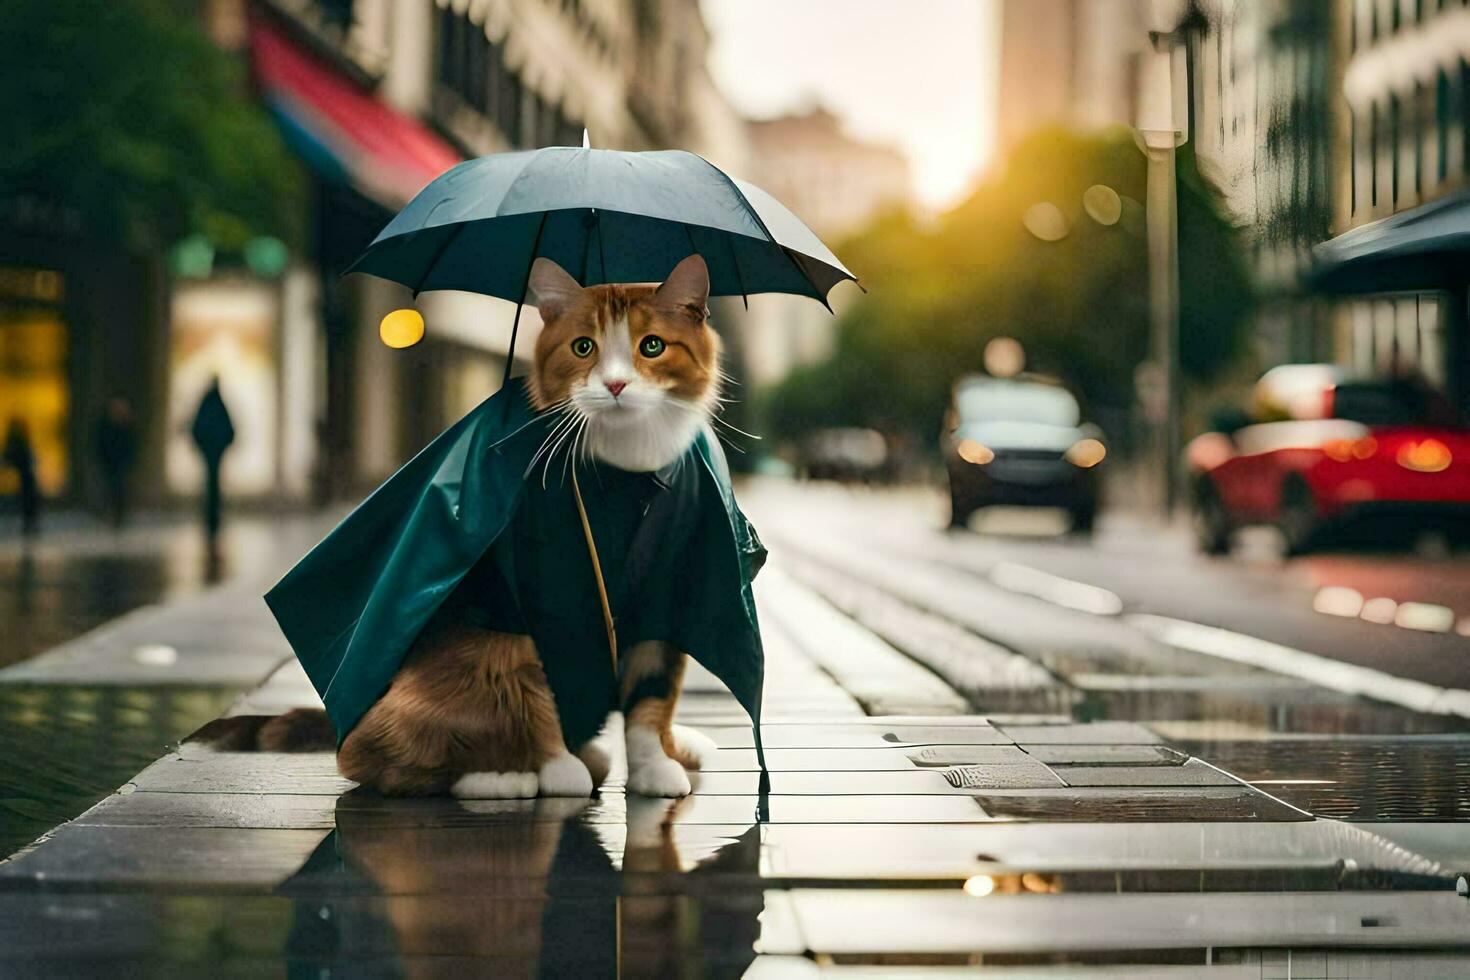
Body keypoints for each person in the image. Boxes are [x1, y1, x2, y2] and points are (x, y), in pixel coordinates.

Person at [190, 378, 235, 549]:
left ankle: (212, 520)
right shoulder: (217, 405)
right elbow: (229, 430)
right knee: (213, 487)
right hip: (213, 453)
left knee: (212, 486)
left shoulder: (208, 405)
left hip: (212, 453)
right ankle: (212, 520)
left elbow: (198, 428)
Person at [95, 394, 138, 529]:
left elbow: (132, 446)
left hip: (121, 465)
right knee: (108, 491)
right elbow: (99, 445)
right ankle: (109, 516)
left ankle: (118, 518)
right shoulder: (105, 427)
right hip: (108, 465)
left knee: (120, 492)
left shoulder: (127, 427)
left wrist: (129, 461)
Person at [3, 419, 41, 538]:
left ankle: (29, 524)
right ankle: (29, 524)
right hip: (24, 476)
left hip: (23, 476)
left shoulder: (16, 440)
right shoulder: (19, 440)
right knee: (27, 500)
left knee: (27, 500)